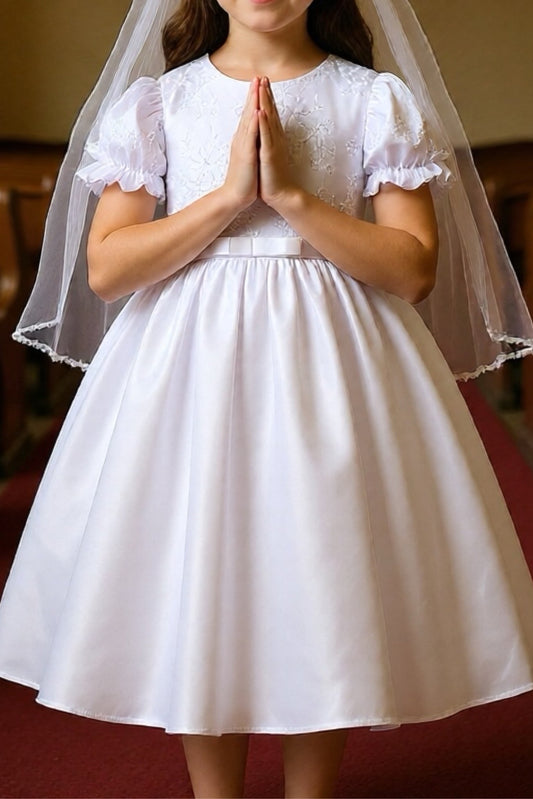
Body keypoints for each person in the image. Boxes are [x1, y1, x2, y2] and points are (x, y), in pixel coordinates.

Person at [1, 1, 533, 797]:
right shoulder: (158, 102)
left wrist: (290, 198)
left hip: (330, 367)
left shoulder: (369, 98)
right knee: (200, 566)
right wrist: (223, 199)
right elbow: (108, 267)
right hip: (187, 370)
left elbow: (412, 267)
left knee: (321, 564)